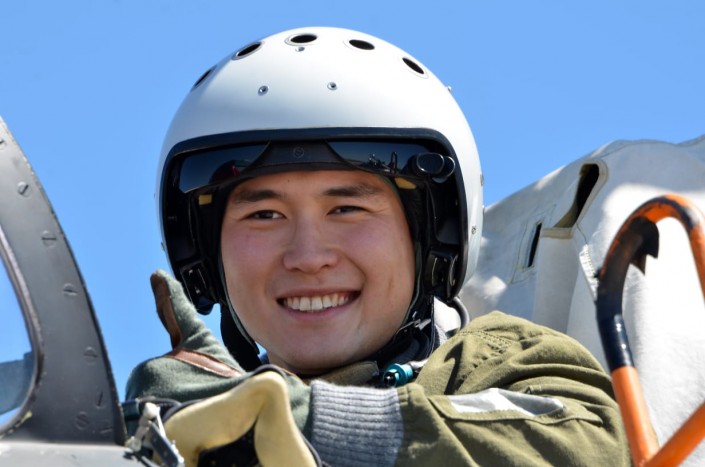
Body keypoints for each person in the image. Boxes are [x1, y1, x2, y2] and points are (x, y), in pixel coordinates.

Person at [126, 27, 629, 466]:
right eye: (264, 215)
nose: (308, 257)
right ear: (207, 256)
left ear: (430, 240)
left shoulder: (495, 361)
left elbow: (586, 447)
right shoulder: (193, 428)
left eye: (347, 209)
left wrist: (309, 421)